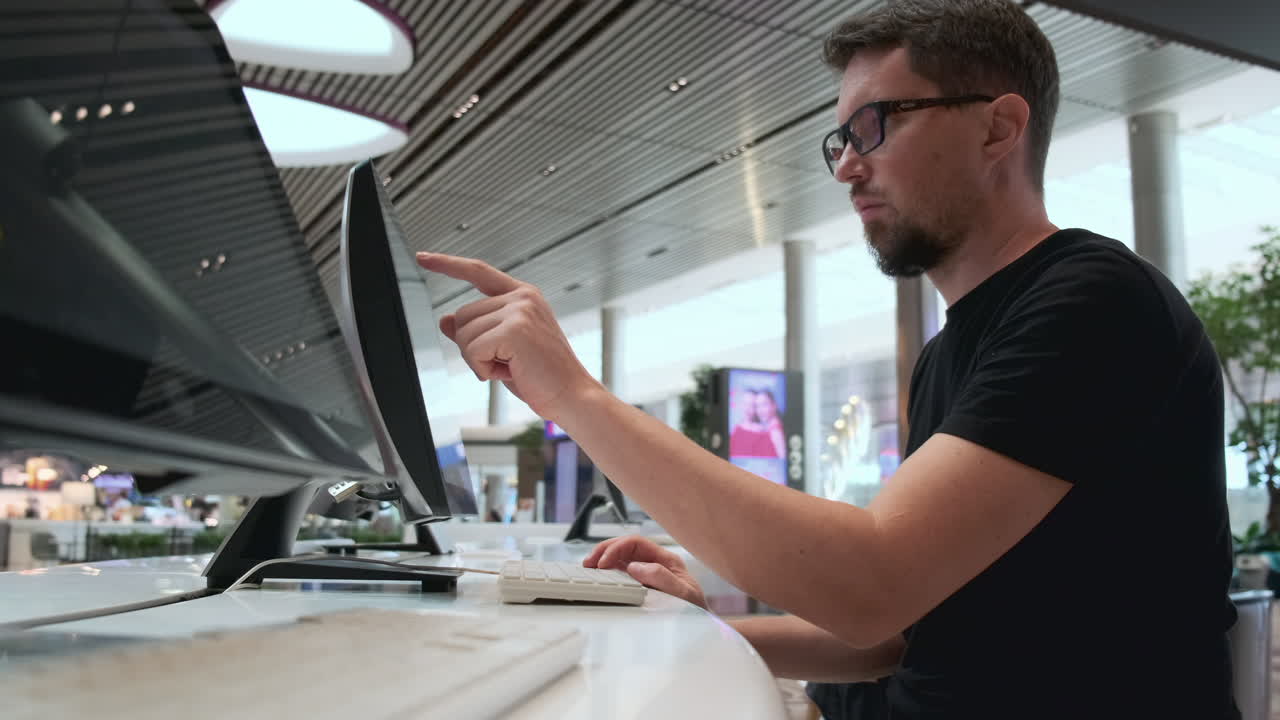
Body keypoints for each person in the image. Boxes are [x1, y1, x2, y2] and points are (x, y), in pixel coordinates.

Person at [415, 1, 1237, 716]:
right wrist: (695, 628)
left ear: (999, 126)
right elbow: (895, 633)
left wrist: (577, 397)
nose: (847, 164)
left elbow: (870, 580)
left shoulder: (1093, 301)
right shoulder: (953, 346)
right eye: (839, 138)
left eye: (876, 124)